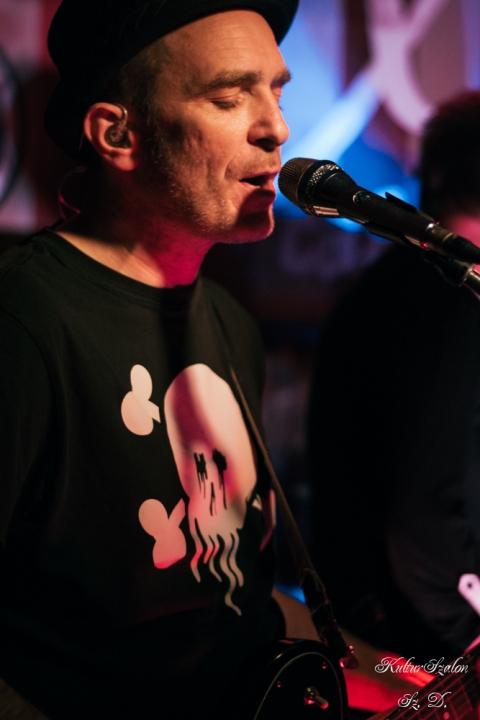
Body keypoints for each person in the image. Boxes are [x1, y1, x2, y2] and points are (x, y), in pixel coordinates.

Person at [0, 2, 429, 718]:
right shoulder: (25, 320)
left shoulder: (229, 325)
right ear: (118, 134)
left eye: (276, 92)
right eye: (229, 97)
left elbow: (236, 605)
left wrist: (412, 685)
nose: (276, 128)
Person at [307, 91, 480, 664]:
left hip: (390, 631)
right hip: (421, 647)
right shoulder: (449, 298)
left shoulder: (394, 285)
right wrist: (467, 640)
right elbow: (420, 518)